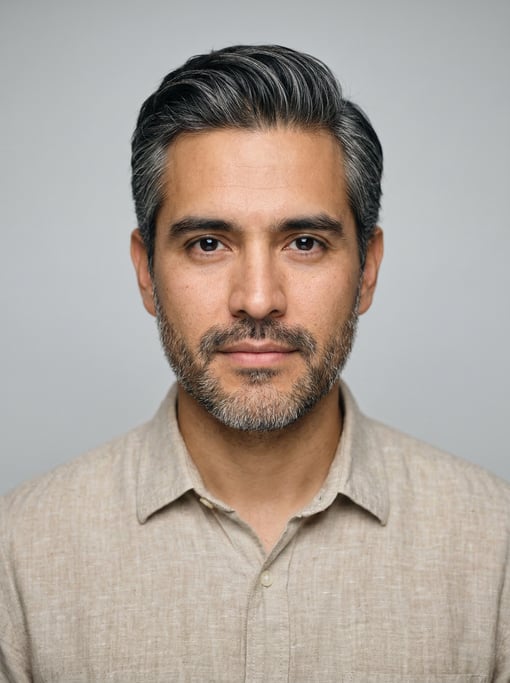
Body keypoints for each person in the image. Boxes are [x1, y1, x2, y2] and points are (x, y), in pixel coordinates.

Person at [1, 44, 509, 682]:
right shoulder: (18, 554)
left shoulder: (496, 548)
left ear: (368, 269)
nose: (259, 300)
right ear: (146, 272)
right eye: (208, 244)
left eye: (304, 242)